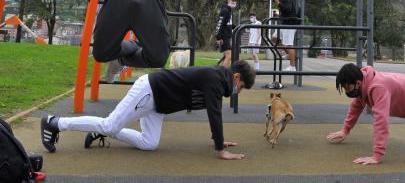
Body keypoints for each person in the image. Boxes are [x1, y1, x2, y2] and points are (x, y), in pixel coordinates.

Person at [41, 60, 256, 160]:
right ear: (236, 77)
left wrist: (219, 140)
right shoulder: (216, 79)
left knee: (149, 143)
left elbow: (213, 111)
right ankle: (55, 122)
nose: (239, 91)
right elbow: (214, 113)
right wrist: (220, 149)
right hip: (150, 91)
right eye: (242, 87)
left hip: (159, 105)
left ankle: (105, 132)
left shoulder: (217, 79)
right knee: (109, 124)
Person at [274, 0, 300, 71]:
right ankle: (288, 54)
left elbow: (287, 9)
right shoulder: (283, 1)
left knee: (289, 45)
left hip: (290, 25)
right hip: (284, 24)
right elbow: (285, 12)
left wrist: (278, 3)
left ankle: (292, 66)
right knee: (274, 38)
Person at [215, 0, 238, 67]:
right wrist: (218, 37)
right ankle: (222, 74)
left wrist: (238, 27)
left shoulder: (229, 11)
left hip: (227, 36)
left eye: (235, 1)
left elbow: (229, 24)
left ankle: (220, 73)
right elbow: (219, 24)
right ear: (228, 0)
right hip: (224, 36)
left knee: (226, 56)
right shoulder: (225, 11)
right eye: (232, 0)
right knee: (229, 55)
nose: (234, 2)